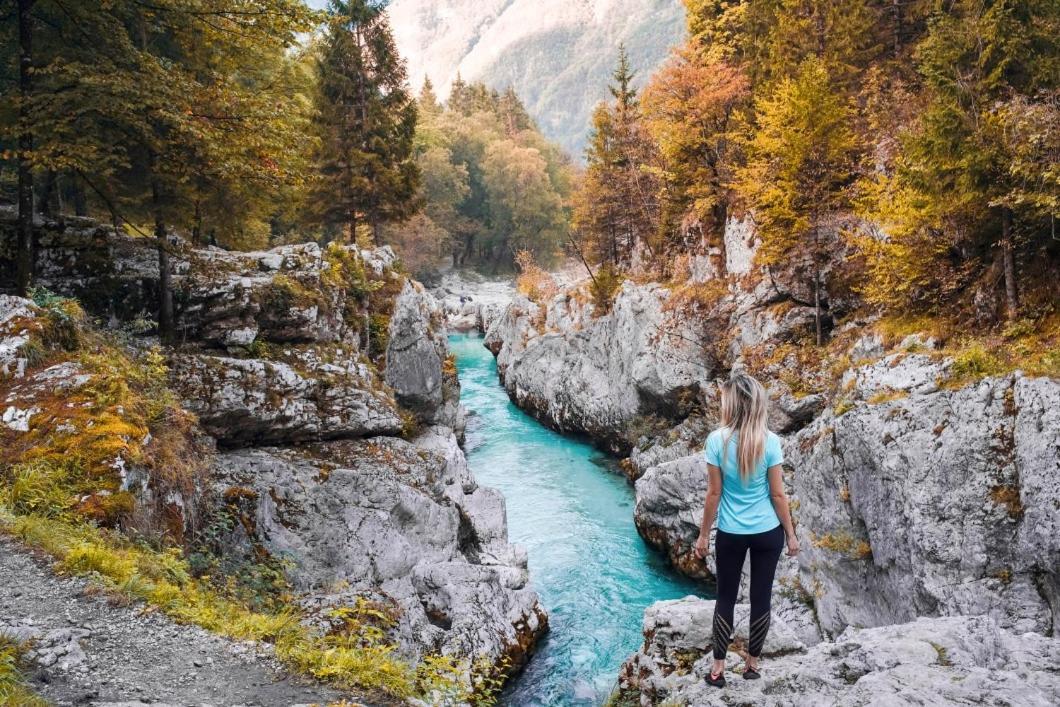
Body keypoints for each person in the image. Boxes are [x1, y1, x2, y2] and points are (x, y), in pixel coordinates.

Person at [693, 372, 799, 687]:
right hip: (768, 531)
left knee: (724, 597)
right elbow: (778, 494)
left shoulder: (716, 440)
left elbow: (714, 494)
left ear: (732, 404)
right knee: (760, 598)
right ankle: (752, 666)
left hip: (731, 532)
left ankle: (717, 670)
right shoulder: (770, 441)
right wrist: (791, 535)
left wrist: (702, 535)